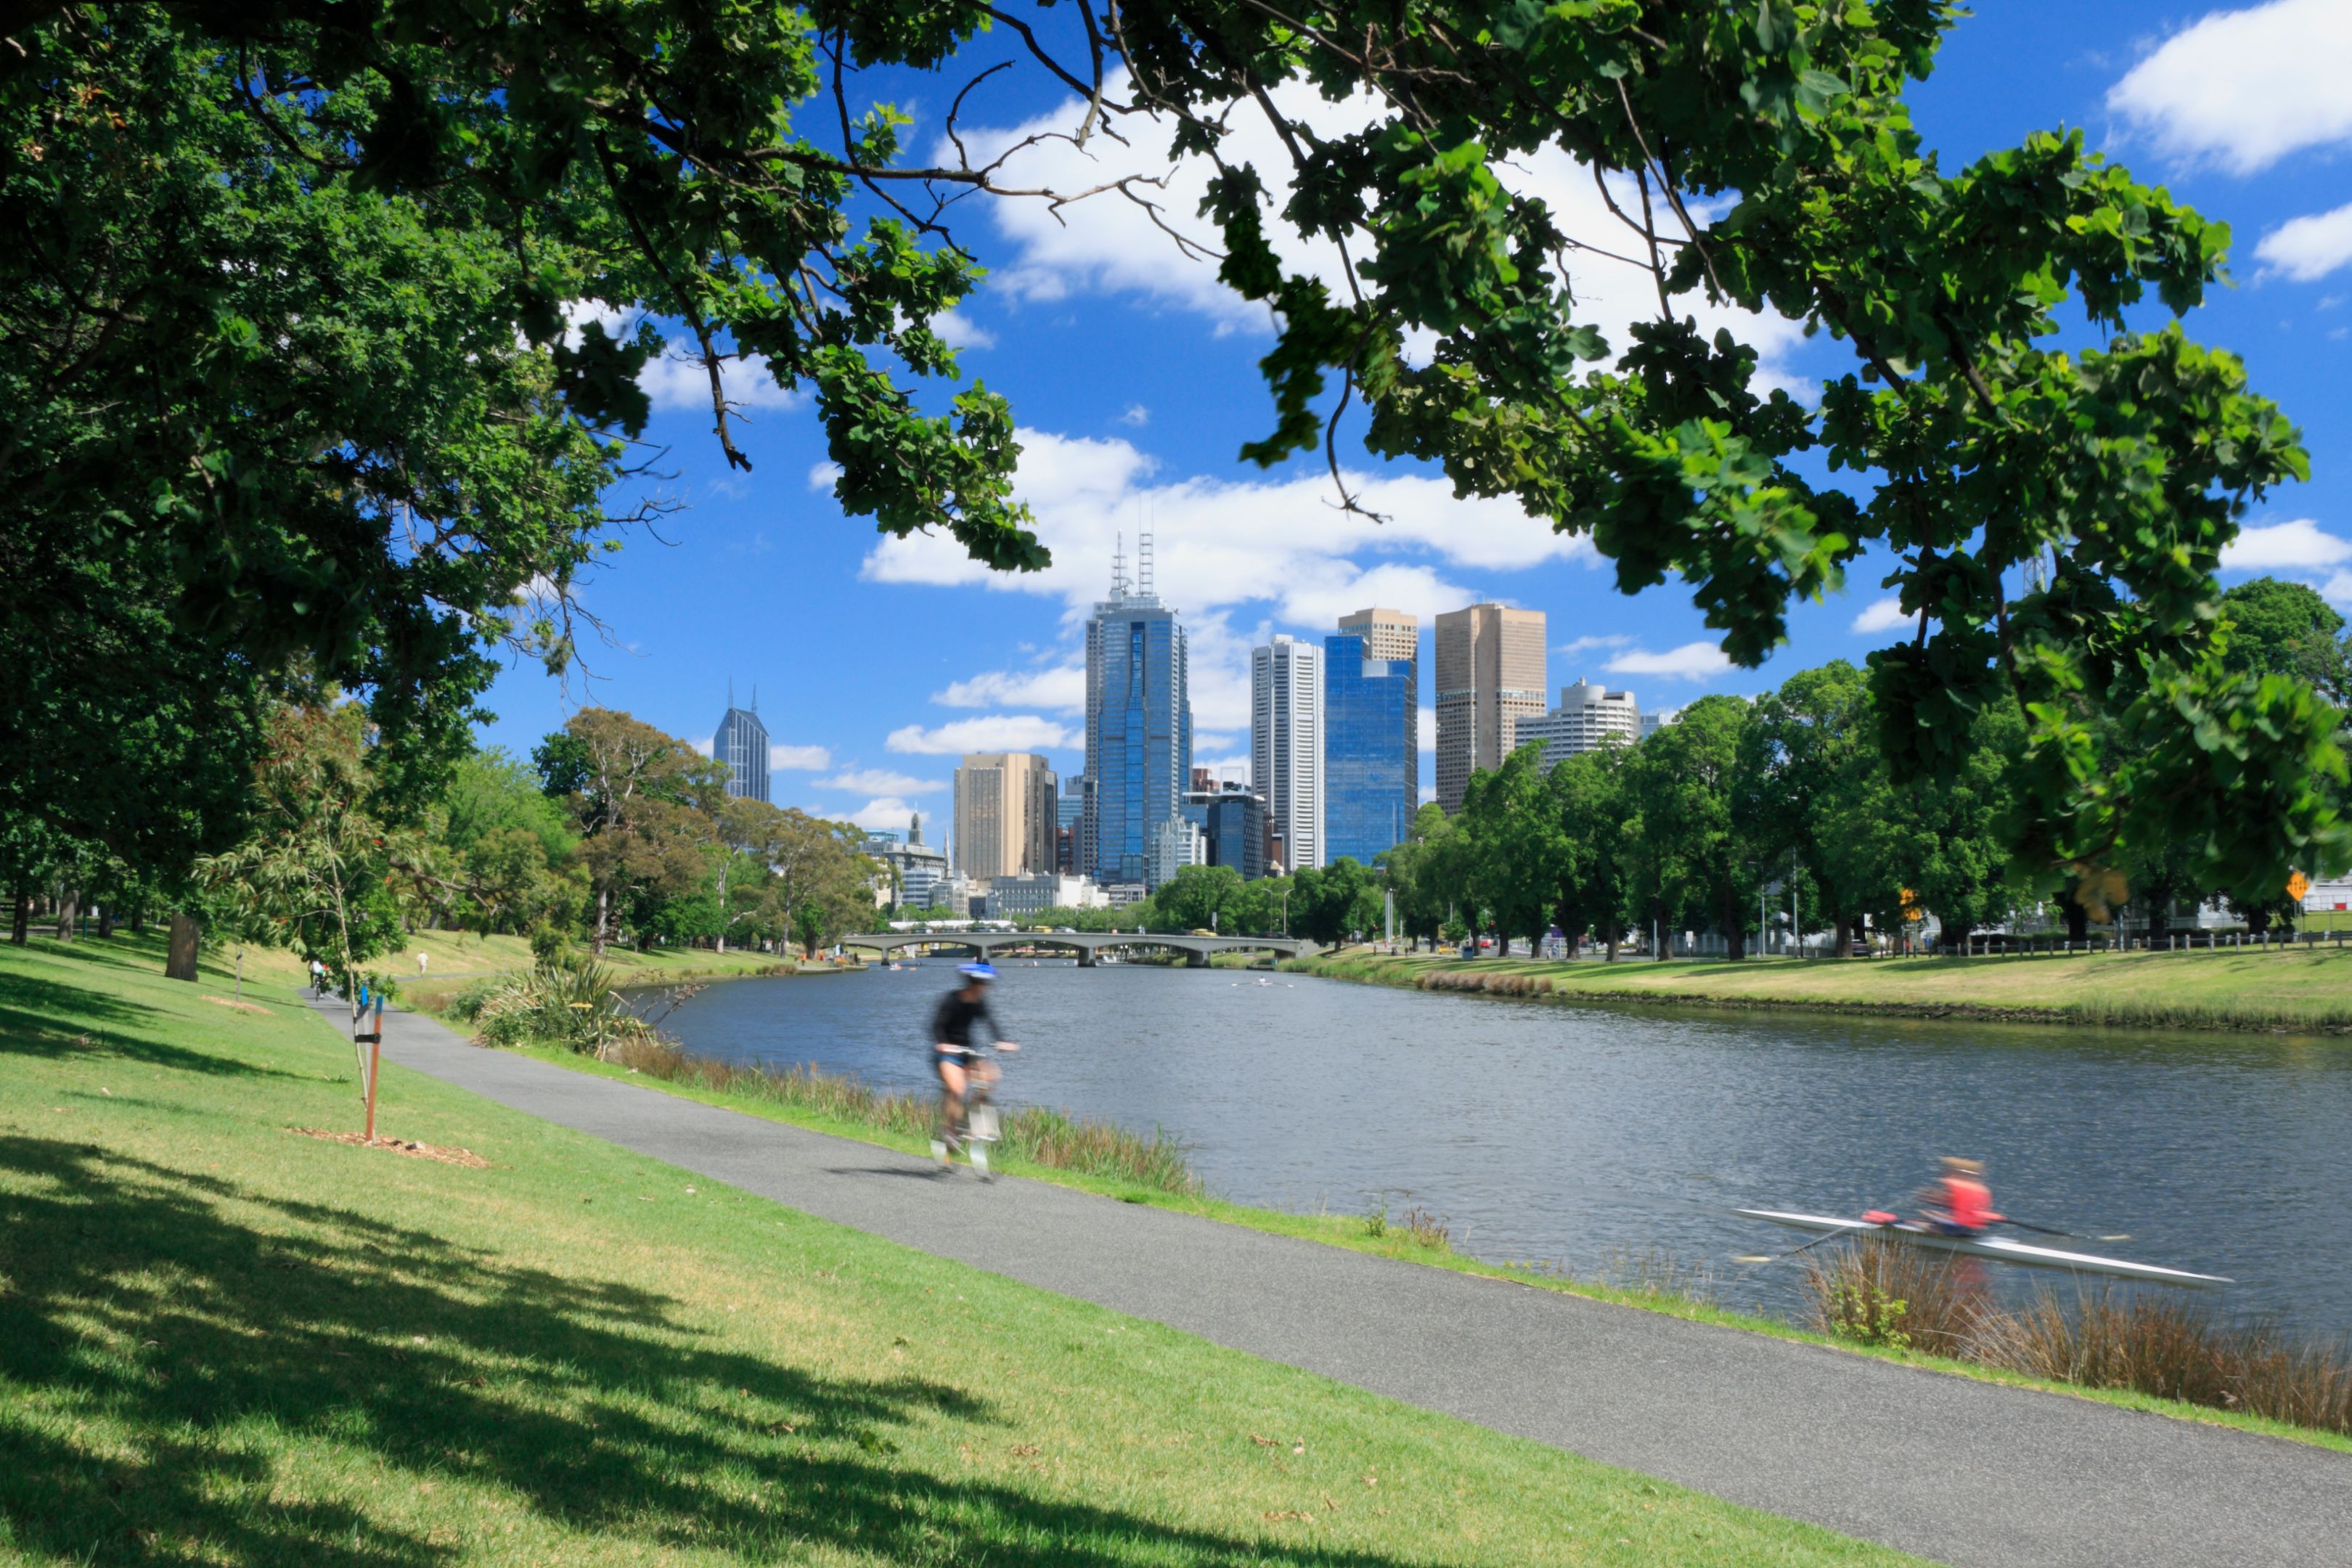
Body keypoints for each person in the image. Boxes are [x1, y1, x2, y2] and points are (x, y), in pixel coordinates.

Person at [931, 962, 1017, 1169]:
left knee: (992, 1075)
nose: (987, 988)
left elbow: (991, 1023)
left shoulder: (979, 1003)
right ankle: (949, 1131)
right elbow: (936, 1026)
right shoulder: (951, 1000)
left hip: (968, 1052)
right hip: (949, 1055)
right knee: (957, 1088)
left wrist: (1001, 1041)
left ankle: (975, 1120)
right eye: (984, 984)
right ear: (974, 984)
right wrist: (943, 1044)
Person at [1915, 1156, 2000, 1237]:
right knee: (1933, 1216)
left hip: (1957, 1229)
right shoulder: (1981, 1188)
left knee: (1916, 1222)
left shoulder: (1955, 1184)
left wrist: (1927, 1199)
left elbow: (1946, 1200)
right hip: (1975, 1228)